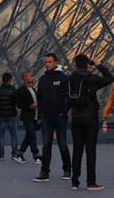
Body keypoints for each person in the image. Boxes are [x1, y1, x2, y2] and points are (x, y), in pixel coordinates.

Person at [68, 54, 113, 190]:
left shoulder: (70, 79)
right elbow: (109, 78)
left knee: (77, 151)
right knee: (91, 151)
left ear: (76, 64)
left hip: (76, 117)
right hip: (90, 117)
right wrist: (98, 65)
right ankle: (91, 182)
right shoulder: (91, 79)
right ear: (88, 64)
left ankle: (74, 182)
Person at [34, 53, 71, 182]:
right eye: (46, 62)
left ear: (56, 63)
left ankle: (67, 169)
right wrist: (42, 113)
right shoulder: (42, 79)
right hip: (46, 117)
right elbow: (39, 96)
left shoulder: (63, 78)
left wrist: (63, 112)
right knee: (45, 146)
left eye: (50, 62)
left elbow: (69, 97)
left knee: (62, 145)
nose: (47, 64)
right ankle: (44, 171)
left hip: (59, 116)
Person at [15, 71, 41, 163]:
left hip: (34, 116)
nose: (32, 78)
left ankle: (19, 153)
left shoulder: (33, 89)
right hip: (27, 117)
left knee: (29, 136)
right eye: (30, 76)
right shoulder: (21, 90)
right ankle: (36, 155)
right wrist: (30, 106)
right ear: (25, 78)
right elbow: (19, 104)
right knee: (32, 136)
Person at [0, 73, 19, 161]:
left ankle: (1, 154)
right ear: (9, 80)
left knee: (0, 134)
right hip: (11, 114)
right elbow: (16, 102)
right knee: (14, 134)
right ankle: (14, 153)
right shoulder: (13, 90)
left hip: (0, 114)